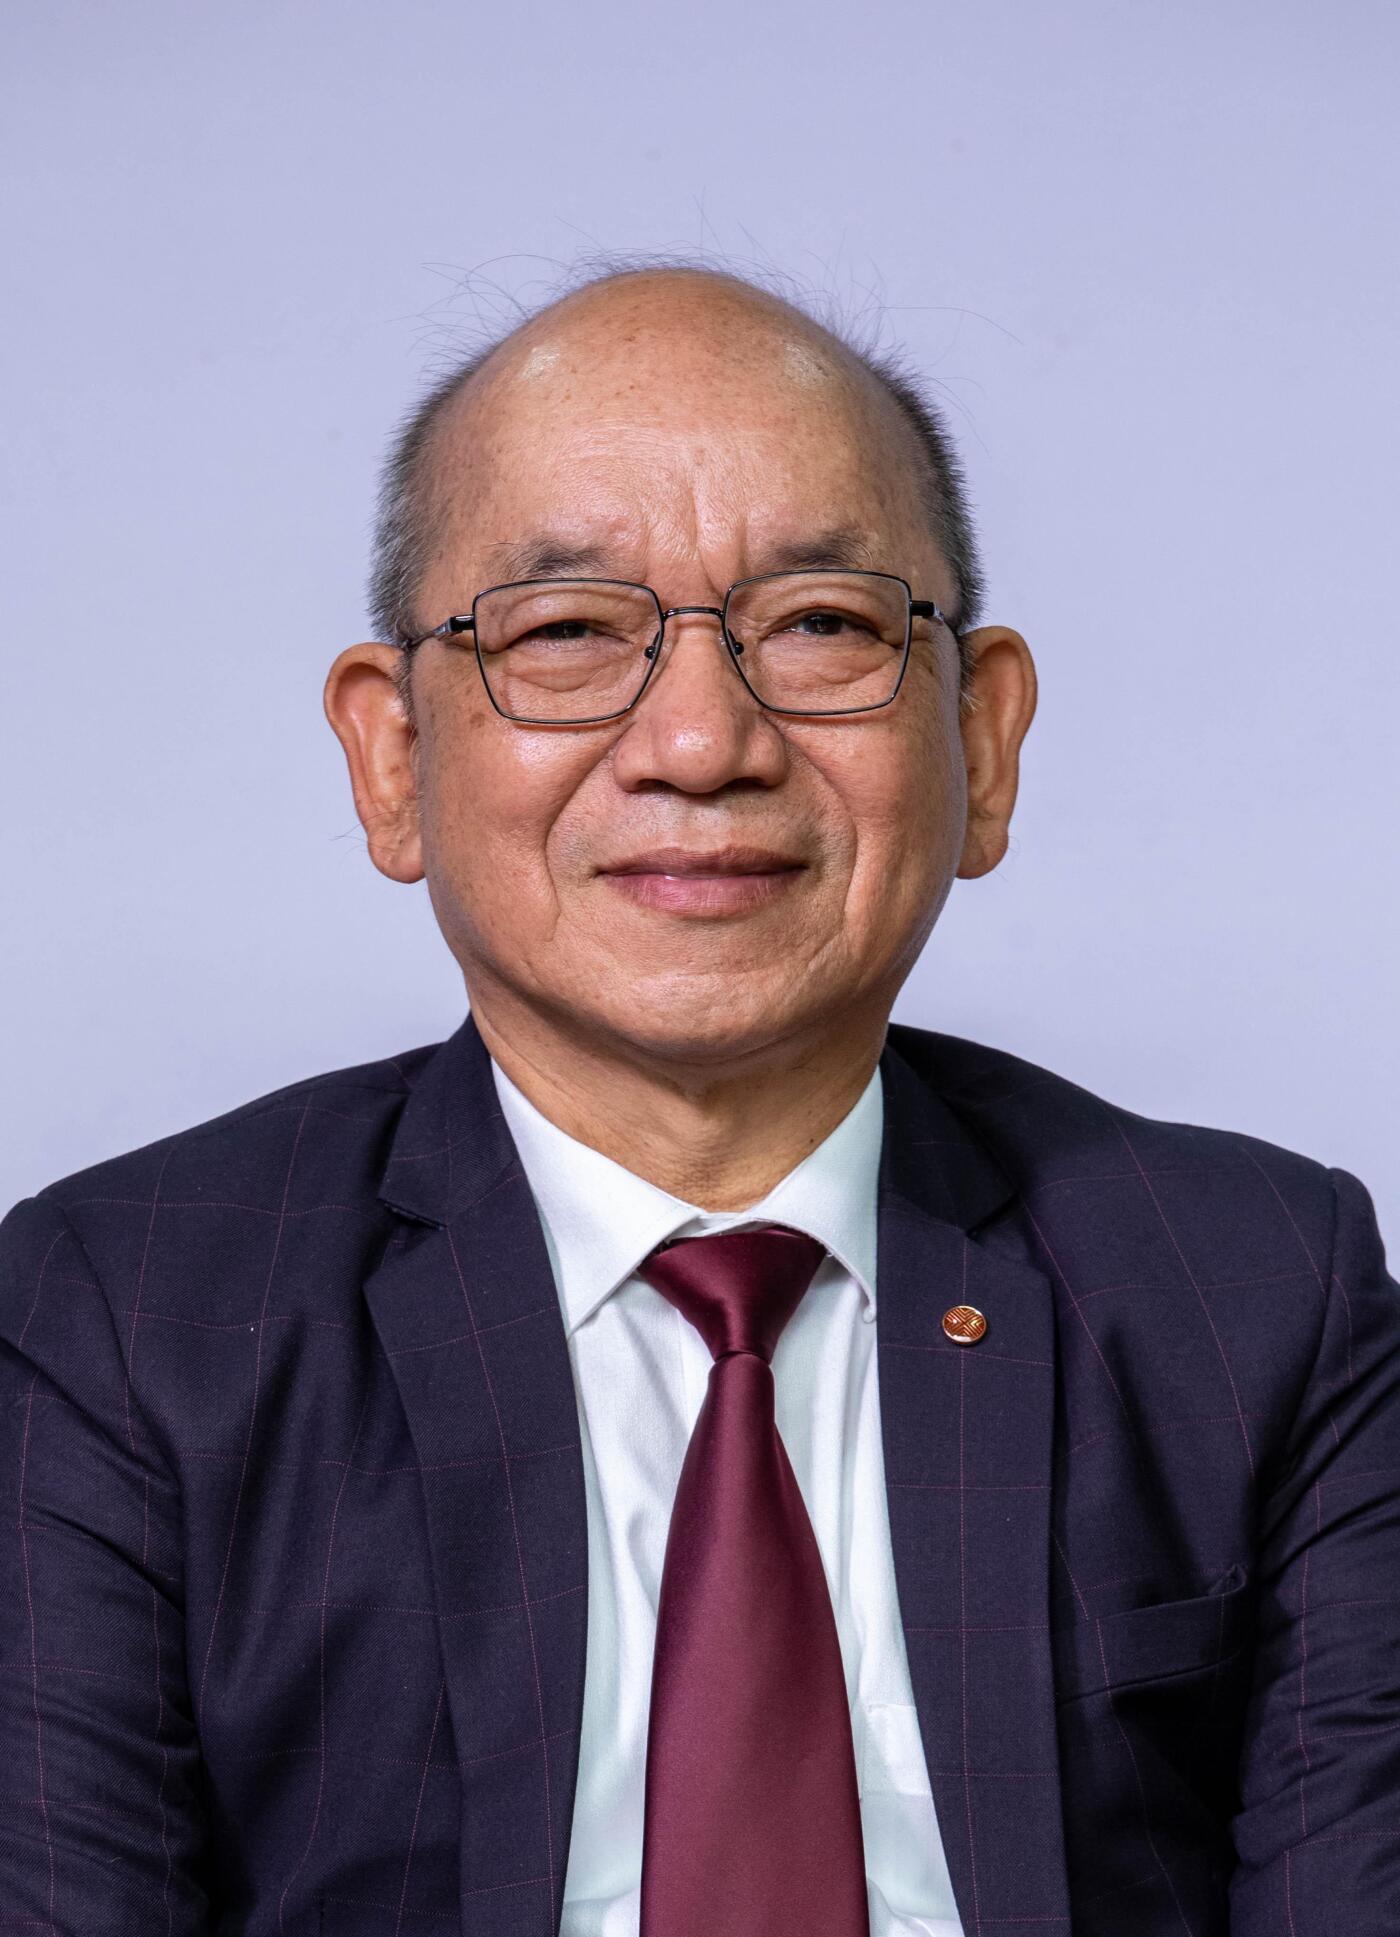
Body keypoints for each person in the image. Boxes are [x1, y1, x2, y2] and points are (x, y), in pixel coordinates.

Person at [1, 263, 1395, 1937]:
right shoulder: (128, 1317)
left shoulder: (1257, 1292)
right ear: (393, 759)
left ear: (982, 740)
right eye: (567, 633)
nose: (699, 741)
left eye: (820, 624)